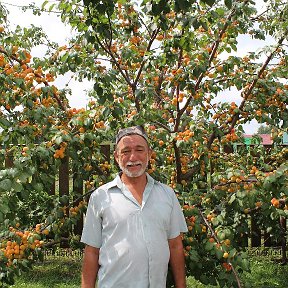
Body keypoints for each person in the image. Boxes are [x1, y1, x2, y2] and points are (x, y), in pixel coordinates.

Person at [81, 125, 188, 288]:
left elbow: (175, 245)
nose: (133, 157)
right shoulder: (100, 197)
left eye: (139, 150)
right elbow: (91, 251)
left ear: (149, 154)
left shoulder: (167, 195)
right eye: (125, 151)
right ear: (116, 156)